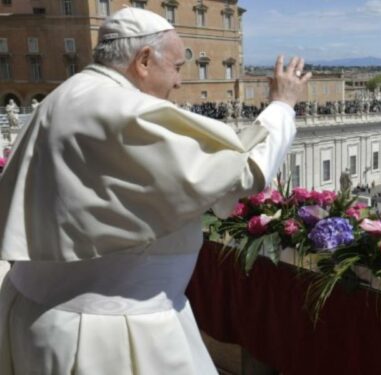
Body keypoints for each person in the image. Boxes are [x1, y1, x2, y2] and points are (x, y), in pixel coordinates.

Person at [0, 8, 311, 374]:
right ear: (144, 60)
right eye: (178, 67)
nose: (179, 82)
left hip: (42, 315)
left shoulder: (67, 95)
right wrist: (282, 106)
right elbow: (241, 173)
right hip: (107, 336)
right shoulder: (121, 110)